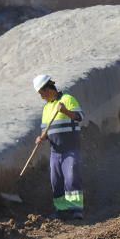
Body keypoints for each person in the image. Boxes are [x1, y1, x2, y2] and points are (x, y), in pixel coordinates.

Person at [32, 74, 85, 220]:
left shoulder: (67, 99)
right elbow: (46, 130)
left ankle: (76, 209)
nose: (42, 97)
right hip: (55, 152)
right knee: (56, 182)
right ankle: (61, 209)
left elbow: (80, 117)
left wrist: (65, 111)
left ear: (49, 88)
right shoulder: (46, 108)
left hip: (70, 149)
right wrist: (42, 137)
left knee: (71, 177)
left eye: (42, 93)